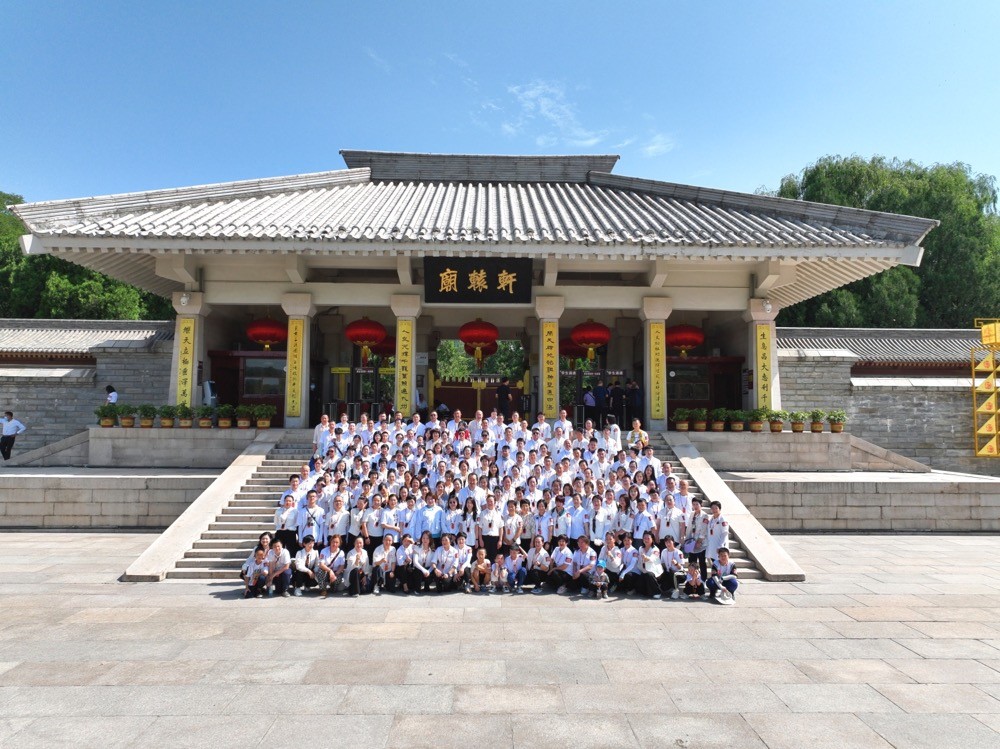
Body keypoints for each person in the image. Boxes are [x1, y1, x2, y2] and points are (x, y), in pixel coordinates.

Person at [659, 536, 685, 600]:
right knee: (663, 587)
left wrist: (676, 564)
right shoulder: (664, 551)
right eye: (666, 542)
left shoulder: (679, 552)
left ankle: (676, 590)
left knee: (674, 574)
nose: (668, 544)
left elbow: (681, 567)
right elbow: (662, 563)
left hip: (679, 573)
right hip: (669, 573)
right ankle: (671, 588)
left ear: (673, 542)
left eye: (669, 542)